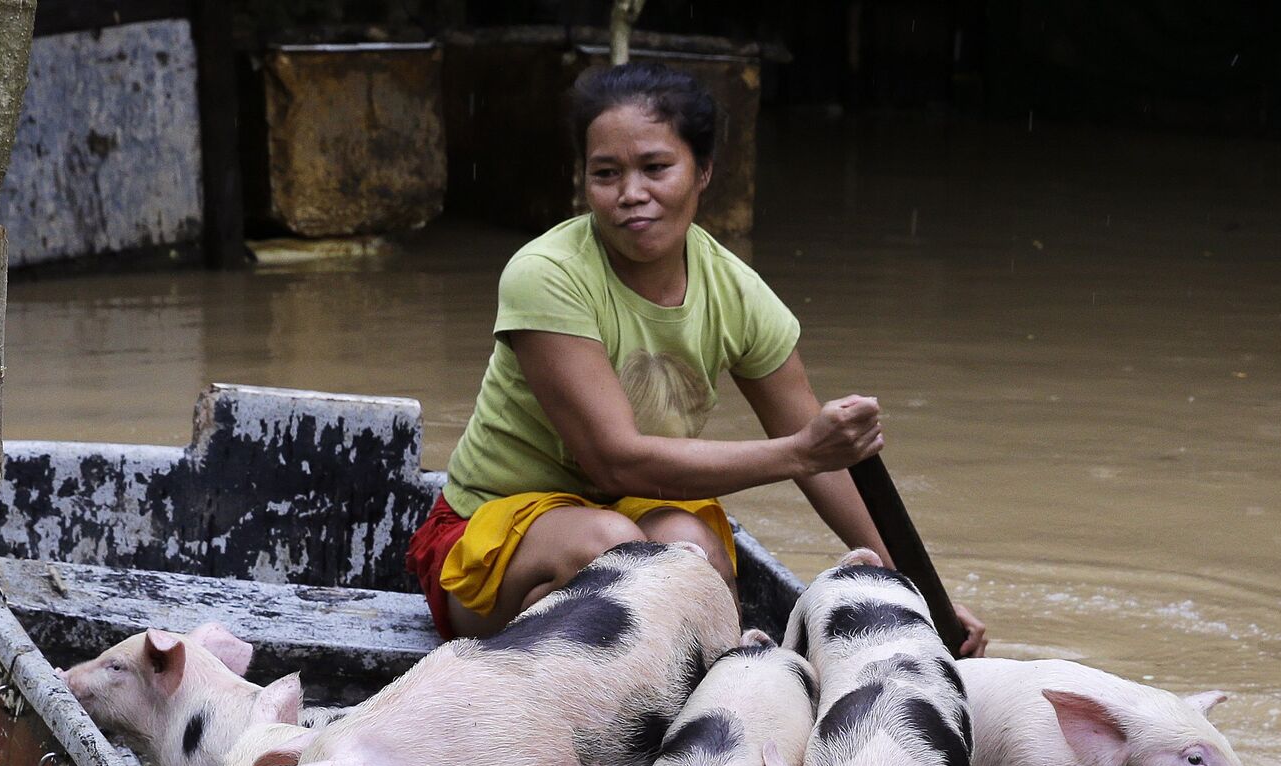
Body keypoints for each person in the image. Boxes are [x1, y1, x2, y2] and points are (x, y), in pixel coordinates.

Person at [406, 62, 987, 655]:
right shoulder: (547, 275)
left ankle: (691, 695)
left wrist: (924, 598)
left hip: (630, 517)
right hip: (486, 542)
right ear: (584, 181)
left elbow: (826, 464)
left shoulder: (734, 291)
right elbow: (615, 463)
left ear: (703, 171)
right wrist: (797, 452)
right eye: (607, 174)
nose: (632, 194)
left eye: (656, 168)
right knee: (610, 548)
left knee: (693, 548)